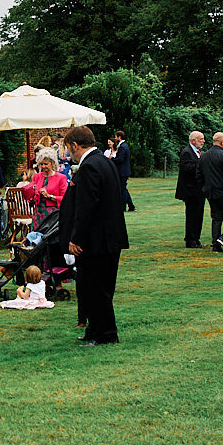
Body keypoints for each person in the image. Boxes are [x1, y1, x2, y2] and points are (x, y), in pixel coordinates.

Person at [63, 126, 129, 346]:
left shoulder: (90, 166)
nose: (69, 153)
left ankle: (106, 334)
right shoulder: (104, 161)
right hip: (109, 236)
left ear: (75, 145)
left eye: (69, 148)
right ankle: (94, 329)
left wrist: (76, 238)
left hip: (98, 239)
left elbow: (87, 207)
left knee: (97, 287)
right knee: (95, 285)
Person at [20, 152, 68, 230]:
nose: (43, 166)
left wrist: (49, 196)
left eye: (46, 164)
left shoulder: (61, 178)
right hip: (38, 212)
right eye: (41, 164)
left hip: (53, 214)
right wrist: (31, 198)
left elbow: (65, 198)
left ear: (52, 163)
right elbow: (32, 195)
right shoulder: (37, 176)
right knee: (36, 234)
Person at [175, 131, 206, 248]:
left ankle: (196, 238)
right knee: (192, 215)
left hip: (199, 190)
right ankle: (190, 240)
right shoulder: (186, 152)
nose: (203, 141)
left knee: (198, 215)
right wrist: (203, 166)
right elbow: (187, 168)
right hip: (190, 190)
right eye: (201, 139)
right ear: (193, 140)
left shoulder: (198, 153)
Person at [107, 130, 135, 212]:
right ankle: (131, 206)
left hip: (122, 172)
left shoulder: (122, 147)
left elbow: (120, 159)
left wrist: (111, 159)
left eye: (116, 137)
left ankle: (123, 207)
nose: (115, 138)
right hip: (123, 171)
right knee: (123, 189)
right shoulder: (123, 145)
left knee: (122, 190)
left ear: (119, 137)